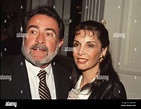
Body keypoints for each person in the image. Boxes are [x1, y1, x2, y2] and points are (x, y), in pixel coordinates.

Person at [0, 5, 73, 99]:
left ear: (59, 43)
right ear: (23, 37)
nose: (40, 40)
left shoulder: (66, 77)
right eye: (33, 32)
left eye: (49, 34)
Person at [68, 20, 127, 99]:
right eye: (76, 44)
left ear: (103, 51)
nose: (80, 52)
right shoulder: (68, 80)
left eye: (90, 45)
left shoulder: (112, 89)